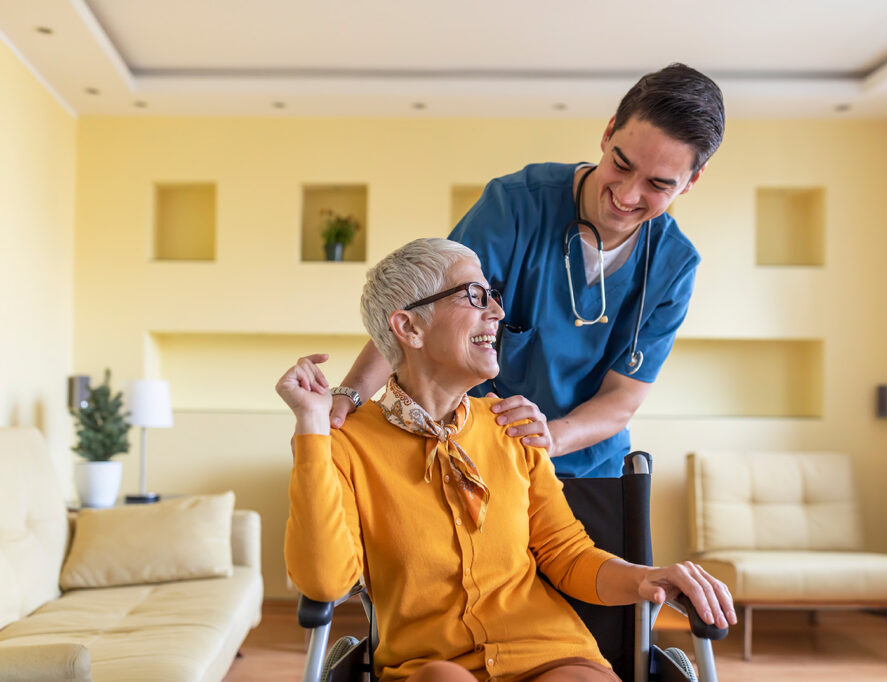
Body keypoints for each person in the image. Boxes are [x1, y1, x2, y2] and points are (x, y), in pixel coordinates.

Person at [280, 238, 735, 682]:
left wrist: (648, 578)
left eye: (492, 297)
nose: (497, 312)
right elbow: (325, 583)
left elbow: (567, 556)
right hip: (431, 665)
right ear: (409, 328)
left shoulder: (511, 427)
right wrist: (312, 430)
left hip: (553, 652)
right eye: (474, 296)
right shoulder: (345, 444)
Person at [326, 63, 724, 478]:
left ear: (691, 180)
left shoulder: (673, 265)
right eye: (621, 165)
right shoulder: (514, 207)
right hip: (480, 450)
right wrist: (349, 396)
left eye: (658, 185)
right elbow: (420, 310)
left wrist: (549, 439)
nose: (626, 195)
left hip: (588, 467)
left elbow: (623, 396)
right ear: (607, 133)